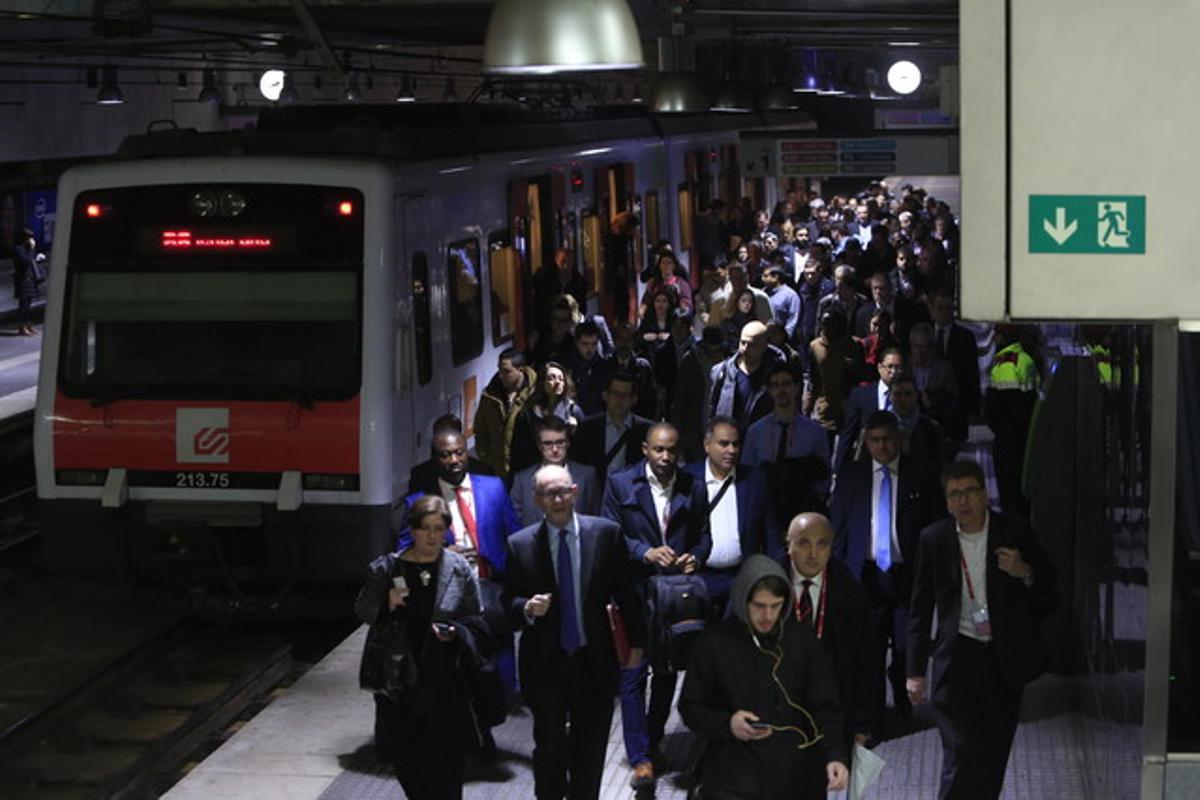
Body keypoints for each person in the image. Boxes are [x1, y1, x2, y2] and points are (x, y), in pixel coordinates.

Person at [906, 460, 1059, 800]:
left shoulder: (1014, 532)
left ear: (984, 493)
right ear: (947, 502)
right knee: (959, 752)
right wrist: (914, 671)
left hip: (1003, 660)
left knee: (992, 755)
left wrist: (1024, 572)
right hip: (957, 657)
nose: (964, 501)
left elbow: (1051, 591)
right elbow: (919, 609)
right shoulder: (934, 539)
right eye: (955, 494)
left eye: (971, 492)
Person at [503, 465, 648, 800]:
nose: (558, 499)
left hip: (593, 663)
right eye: (549, 494)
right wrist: (526, 607)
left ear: (575, 492)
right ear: (538, 500)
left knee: (590, 752)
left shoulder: (607, 535)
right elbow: (507, 600)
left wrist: (637, 646)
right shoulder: (520, 545)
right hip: (546, 666)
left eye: (563, 491)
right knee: (550, 750)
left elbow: (627, 594)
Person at [678, 554, 849, 799]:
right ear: (742, 600)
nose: (768, 616)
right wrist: (727, 724)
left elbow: (825, 705)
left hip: (794, 774)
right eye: (759, 606)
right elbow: (691, 708)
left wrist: (836, 755)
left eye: (776, 605)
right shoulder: (713, 643)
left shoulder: (802, 640)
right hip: (732, 776)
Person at [356, 496, 490, 799]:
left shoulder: (458, 569)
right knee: (410, 767)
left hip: (446, 683)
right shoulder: (386, 568)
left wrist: (455, 631)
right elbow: (363, 612)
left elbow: (476, 619)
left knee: (447, 769)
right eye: (425, 529)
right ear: (413, 531)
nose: (431, 536)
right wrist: (387, 603)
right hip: (400, 684)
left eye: (438, 529)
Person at [602, 422, 712, 788]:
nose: (666, 457)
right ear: (645, 450)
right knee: (633, 675)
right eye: (658, 450)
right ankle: (640, 758)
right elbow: (609, 533)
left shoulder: (692, 486)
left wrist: (695, 556)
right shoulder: (620, 483)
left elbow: (703, 536)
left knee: (666, 672)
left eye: (672, 451)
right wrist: (644, 552)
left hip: (674, 598)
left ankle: (652, 740)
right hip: (634, 593)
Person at [829, 410, 943, 736]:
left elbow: (935, 525)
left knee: (907, 644)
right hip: (865, 577)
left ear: (899, 439)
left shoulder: (921, 475)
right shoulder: (851, 476)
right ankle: (873, 721)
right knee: (869, 652)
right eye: (875, 441)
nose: (882, 447)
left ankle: (901, 679)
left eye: (888, 440)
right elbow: (839, 531)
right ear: (866, 442)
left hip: (907, 575)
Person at [781, 513, 873, 757]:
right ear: (788, 544)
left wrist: (862, 723)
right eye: (803, 543)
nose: (813, 554)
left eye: (822, 544)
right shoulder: (763, 584)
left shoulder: (850, 593)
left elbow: (865, 663)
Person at [683, 416, 781, 613]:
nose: (731, 450)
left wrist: (773, 576)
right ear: (707, 445)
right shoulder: (687, 478)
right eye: (724, 444)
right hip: (698, 577)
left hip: (741, 577)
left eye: (736, 444)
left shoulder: (755, 480)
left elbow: (770, 531)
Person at [509, 415, 600, 527]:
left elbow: (596, 519)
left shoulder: (587, 476)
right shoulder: (522, 480)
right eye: (548, 444)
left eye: (560, 442)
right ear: (539, 446)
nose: (555, 449)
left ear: (568, 443)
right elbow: (514, 523)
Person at [573, 372, 653, 492]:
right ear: (605, 396)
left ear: (634, 399)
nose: (619, 399)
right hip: (597, 493)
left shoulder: (647, 431)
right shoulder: (587, 428)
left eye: (625, 395)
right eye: (615, 393)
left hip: (631, 493)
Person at [508, 361, 585, 475]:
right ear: (542, 383)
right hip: (535, 472)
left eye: (561, 379)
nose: (558, 382)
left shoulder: (573, 411)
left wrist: (575, 432)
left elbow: (585, 446)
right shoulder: (528, 414)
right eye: (552, 378)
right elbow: (518, 451)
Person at [835, 347, 905, 471]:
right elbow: (848, 432)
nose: (893, 372)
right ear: (879, 368)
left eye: (898, 367)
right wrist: (839, 469)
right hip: (867, 463)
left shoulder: (908, 396)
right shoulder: (861, 395)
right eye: (889, 367)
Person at [654, 307, 710, 464]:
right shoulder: (662, 351)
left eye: (682, 326)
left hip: (696, 404)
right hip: (673, 405)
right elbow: (660, 382)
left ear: (689, 328)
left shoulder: (700, 350)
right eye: (675, 326)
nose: (678, 331)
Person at [473, 348, 537, 479]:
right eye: (500, 370)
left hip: (528, 470)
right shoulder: (490, 395)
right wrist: (485, 457)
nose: (501, 375)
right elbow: (480, 428)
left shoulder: (536, 394)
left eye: (507, 371)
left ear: (521, 370)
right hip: (498, 470)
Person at [709, 320, 783, 432]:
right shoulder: (722, 372)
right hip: (730, 441)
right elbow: (711, 408)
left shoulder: (777, 375)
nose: (745, 349)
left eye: (752, 345)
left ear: (764, 346)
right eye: (743, 343)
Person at [408, 414, 494, 493]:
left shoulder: (483, 472)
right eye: (445, 454)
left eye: (459, 453)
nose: (454, 460)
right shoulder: (420, 474)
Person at [11, 227, 41, 336]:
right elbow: (26, 261)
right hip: (23, 280)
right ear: (24, 238)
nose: (31, 239)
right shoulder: (17, 249)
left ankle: (28, 325)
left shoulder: (27, 248)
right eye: (29, 237)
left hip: (30, 279)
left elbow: (31, 259)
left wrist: (32, 250)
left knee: (28, 304)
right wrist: (32, 249)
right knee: (23, 305)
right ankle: (22, 327)